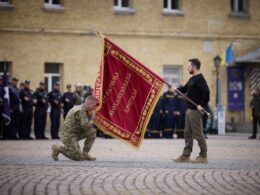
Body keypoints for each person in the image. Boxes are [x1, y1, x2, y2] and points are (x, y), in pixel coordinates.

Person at [170, 58, 210, 163]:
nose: (187, 68)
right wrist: (176, 89)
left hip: (195, 111)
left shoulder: (200, 79)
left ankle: (203, 156)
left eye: (189, 66)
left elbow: (207, 93)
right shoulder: (192, 79)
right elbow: (184, 89)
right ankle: (186, 155)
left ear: (194, 67)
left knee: (198, 134)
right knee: (187, 133)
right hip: (189, 110)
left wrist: (202, 105)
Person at [51, 95, 98, 161]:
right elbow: (85, 126)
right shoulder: (81, 111)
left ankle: (85, 153)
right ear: (89, 104)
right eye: (94, 105)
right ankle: (58, 148)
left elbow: (85, 126)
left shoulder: (82, 109)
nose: (94, 108)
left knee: (92, 131)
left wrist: (90, 118)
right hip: (68, 136)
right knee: (79, 157)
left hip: (76, 133)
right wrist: (92, 119)